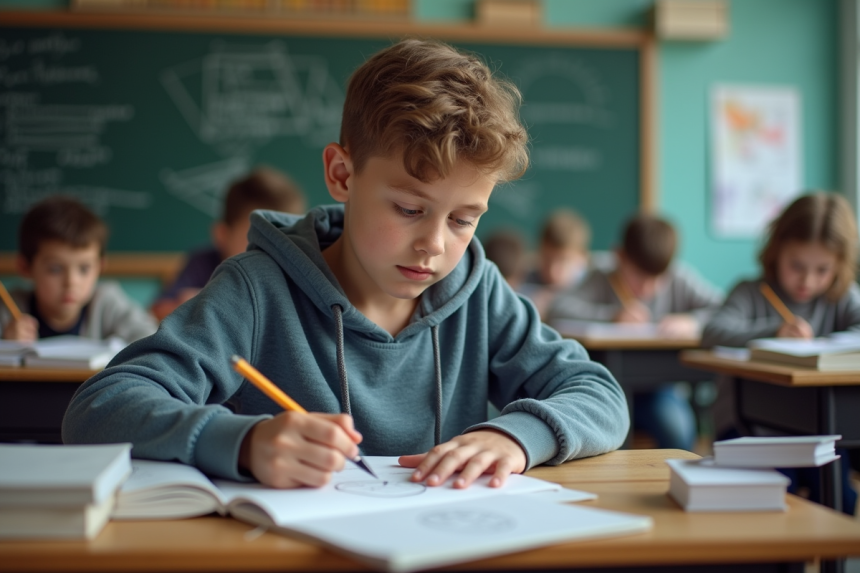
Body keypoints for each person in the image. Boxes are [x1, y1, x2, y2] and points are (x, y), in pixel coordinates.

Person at [63, 39, 628, 491]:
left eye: (463, 219)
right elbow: (98, 409)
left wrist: (518, 436)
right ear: (342, 174)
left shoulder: (478, 291)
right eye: (409, 208)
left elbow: (597, 393)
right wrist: (241, 441)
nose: (433, 244)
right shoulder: (257, 290)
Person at [702, 192, 859, 515]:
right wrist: (772, 331)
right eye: (796, 266)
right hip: (750, 431)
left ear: (840, 265)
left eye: (822, 270)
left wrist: (824, 343)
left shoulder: (841, 297)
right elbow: (711, 332)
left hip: (821, 431)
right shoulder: (751, 291)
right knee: (775, 500)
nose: (807, 280)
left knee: (840, 498)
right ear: (776, 251)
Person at [547, 214, 723, 451]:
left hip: (657, 391)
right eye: (639, 277)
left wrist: (692, 321)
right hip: (604, 389)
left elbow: (723, 309)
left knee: (678, 428)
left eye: (657, 279)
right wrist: (612, 315)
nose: (648, 288)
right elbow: (559, 309)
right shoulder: (602, 275)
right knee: (600, 434)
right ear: (619, 256)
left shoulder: (677, 277)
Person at [151, 167, 306, 320]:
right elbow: (157, 312)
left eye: (283, 240)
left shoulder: (296, 274)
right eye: (257, 238)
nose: (271, 251)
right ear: (222, 235)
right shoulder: (203, 263)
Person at [0, 196, 157, 343]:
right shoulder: (8, 310)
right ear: (25, 268)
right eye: (55, 269)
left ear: (99, 267)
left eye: (84, 269)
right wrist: (7, 345)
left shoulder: (107, 304)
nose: (71, 282)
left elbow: (151, 338)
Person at [518, 209, 590, 318]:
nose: (553, 271)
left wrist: (554, 302)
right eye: (547, 259)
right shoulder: (525, 278)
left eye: (564, 261)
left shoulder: (593, 283)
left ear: (582, 258)